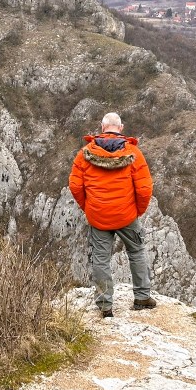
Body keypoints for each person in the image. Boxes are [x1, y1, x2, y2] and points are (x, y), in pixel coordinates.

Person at [68, 112, 156, 318]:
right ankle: (142, 297)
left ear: (102, 127)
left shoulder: (85, 154)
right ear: (121, 128)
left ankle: (105, 305)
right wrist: (137, 211)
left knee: (100, 258)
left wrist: (88, 206)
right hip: (127, 215)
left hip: (98, 216)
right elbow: (144, 189)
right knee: (136, 251)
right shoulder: (134, 153)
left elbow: (74, 185)